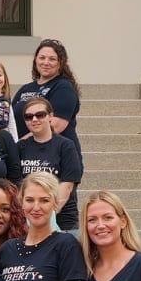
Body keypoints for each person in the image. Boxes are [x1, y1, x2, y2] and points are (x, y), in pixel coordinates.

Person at [16, 93, 85, 233]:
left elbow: (67, 186)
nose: (34, 119)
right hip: (29, 223)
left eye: (40, 115)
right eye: (29, 117)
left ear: (50, 116)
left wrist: (47, 217)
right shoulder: (20, 147)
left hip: (63, 222)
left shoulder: (65, 146)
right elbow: (17, 186)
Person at [14, 39, 83, 149]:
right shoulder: (25, 88)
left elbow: (55, 126)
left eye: (52, 59)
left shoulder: (63, 87)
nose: (46, 63)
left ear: (60, 63)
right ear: (35, 60)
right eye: (42, 58)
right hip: (27, 155)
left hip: (56, 153)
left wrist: (20, 144)